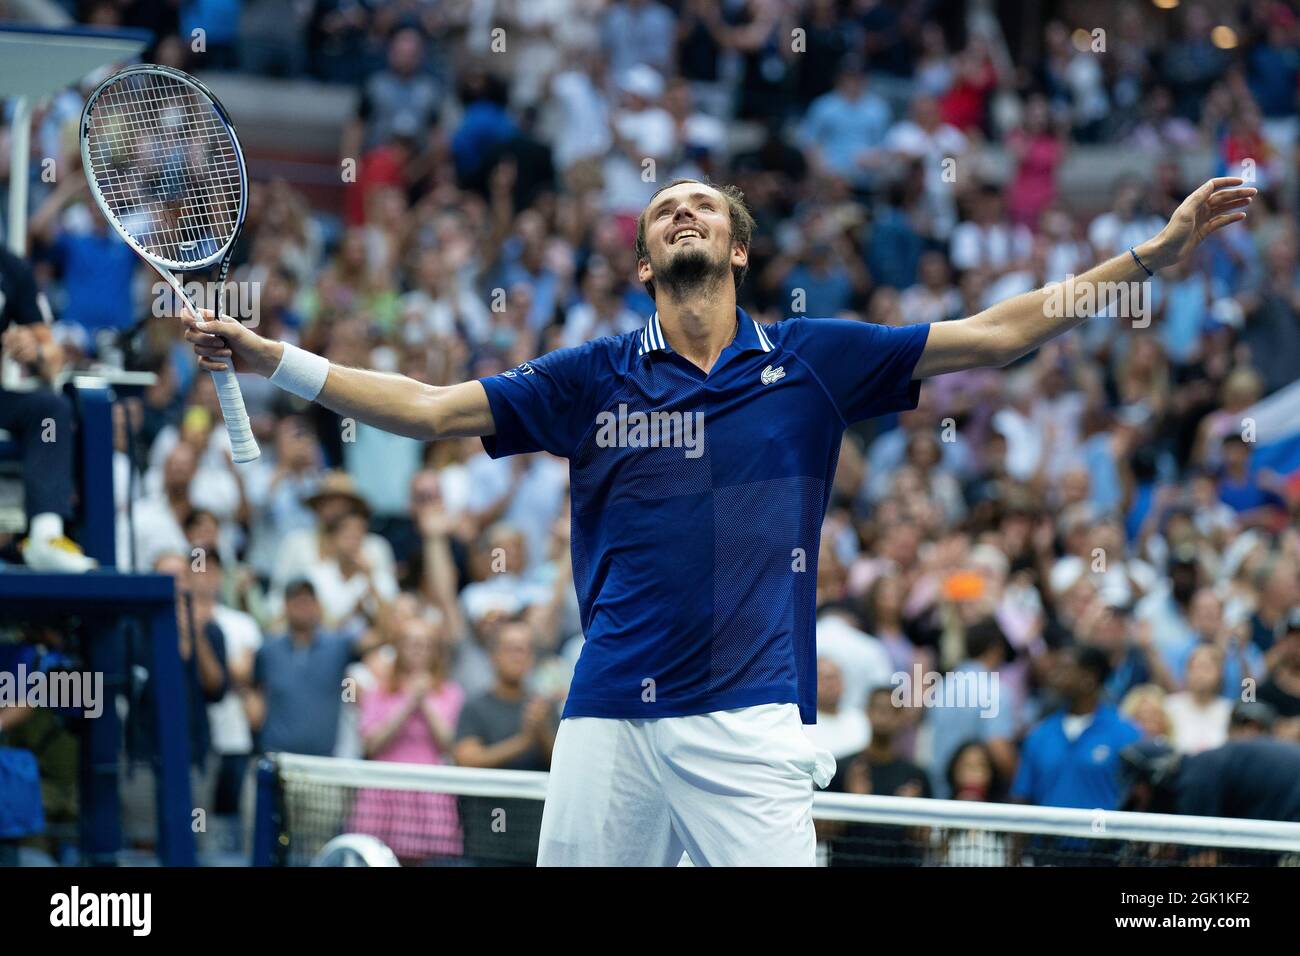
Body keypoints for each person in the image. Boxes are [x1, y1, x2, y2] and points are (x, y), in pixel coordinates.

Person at [184, 173, 1254, 866]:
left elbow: (996, 331)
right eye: (663, 211)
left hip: (749, 719)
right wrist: (277, 357)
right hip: (608, 706)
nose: (682, 211)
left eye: (703, 205)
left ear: (738, 250)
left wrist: (1148, 260)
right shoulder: (588, 376)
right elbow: (424, 410)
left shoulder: (814, 361)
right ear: (647, 263)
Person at [0, 247, 92, 571]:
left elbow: (53, 359)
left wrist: (34, 351)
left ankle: (44, 535)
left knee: (50, 409)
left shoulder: (10, 267)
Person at [452, 620, 557, 866]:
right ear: (493, 655)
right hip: (487, 846)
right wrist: (523, 741)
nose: (518, 657)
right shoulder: (474, 707)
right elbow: (467, 760)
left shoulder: (544, 709)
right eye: (511, 649)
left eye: (525, 649)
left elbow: (563, 768)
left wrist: (541, 733)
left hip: (538, 845)